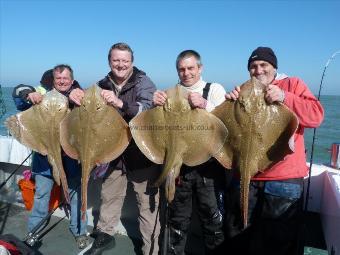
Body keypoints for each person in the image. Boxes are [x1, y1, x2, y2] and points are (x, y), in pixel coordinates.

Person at [223, 47, 324, 255]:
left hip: (283, 180)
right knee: (236, 234)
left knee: (277, 242)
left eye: (263, 65)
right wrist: (230, 102)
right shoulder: (242, 89)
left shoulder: (292, 84)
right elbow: (222, 129)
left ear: (274, 67)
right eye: (253, 66)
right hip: (245, 176)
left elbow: (316, 116)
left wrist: (285, 96)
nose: (258, 70)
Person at [69, 42, 160, 255]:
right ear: (109, 61)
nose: (120, 64)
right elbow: (85, 114)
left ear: (132, 62)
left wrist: (120, 103)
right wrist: (73, 97)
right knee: (108, 199)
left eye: (125, 61)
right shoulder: (101, 84)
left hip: (141, 155)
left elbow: (148, 111)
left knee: (147, 207)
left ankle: (151, 250)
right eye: (116, 60)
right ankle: (103, 238)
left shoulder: (143, 82)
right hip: (112, 156)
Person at [153, 50, 226, 254]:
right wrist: (154, 103)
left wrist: (205, 105)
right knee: (177, 220)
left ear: (200, 68)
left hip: (208, 169)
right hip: (179, 168)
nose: (186, 73)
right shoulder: (168, 93)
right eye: (181, 69)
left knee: (212, 220)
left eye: (190, 68)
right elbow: (153, 126)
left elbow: (226, 123)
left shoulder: (214, 89)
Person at [12, 65, 89, 249]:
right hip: (44, 160)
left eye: (65, 78)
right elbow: (18, 93)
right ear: (53, 81)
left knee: (77, 197)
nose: (62, 81)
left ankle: (79, 231)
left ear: (72, 80)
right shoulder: (42, 94)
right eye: (58, 79)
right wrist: (28, 94)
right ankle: (34, 231)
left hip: (71, 159)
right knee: (41, 196)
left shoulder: (79, 96)